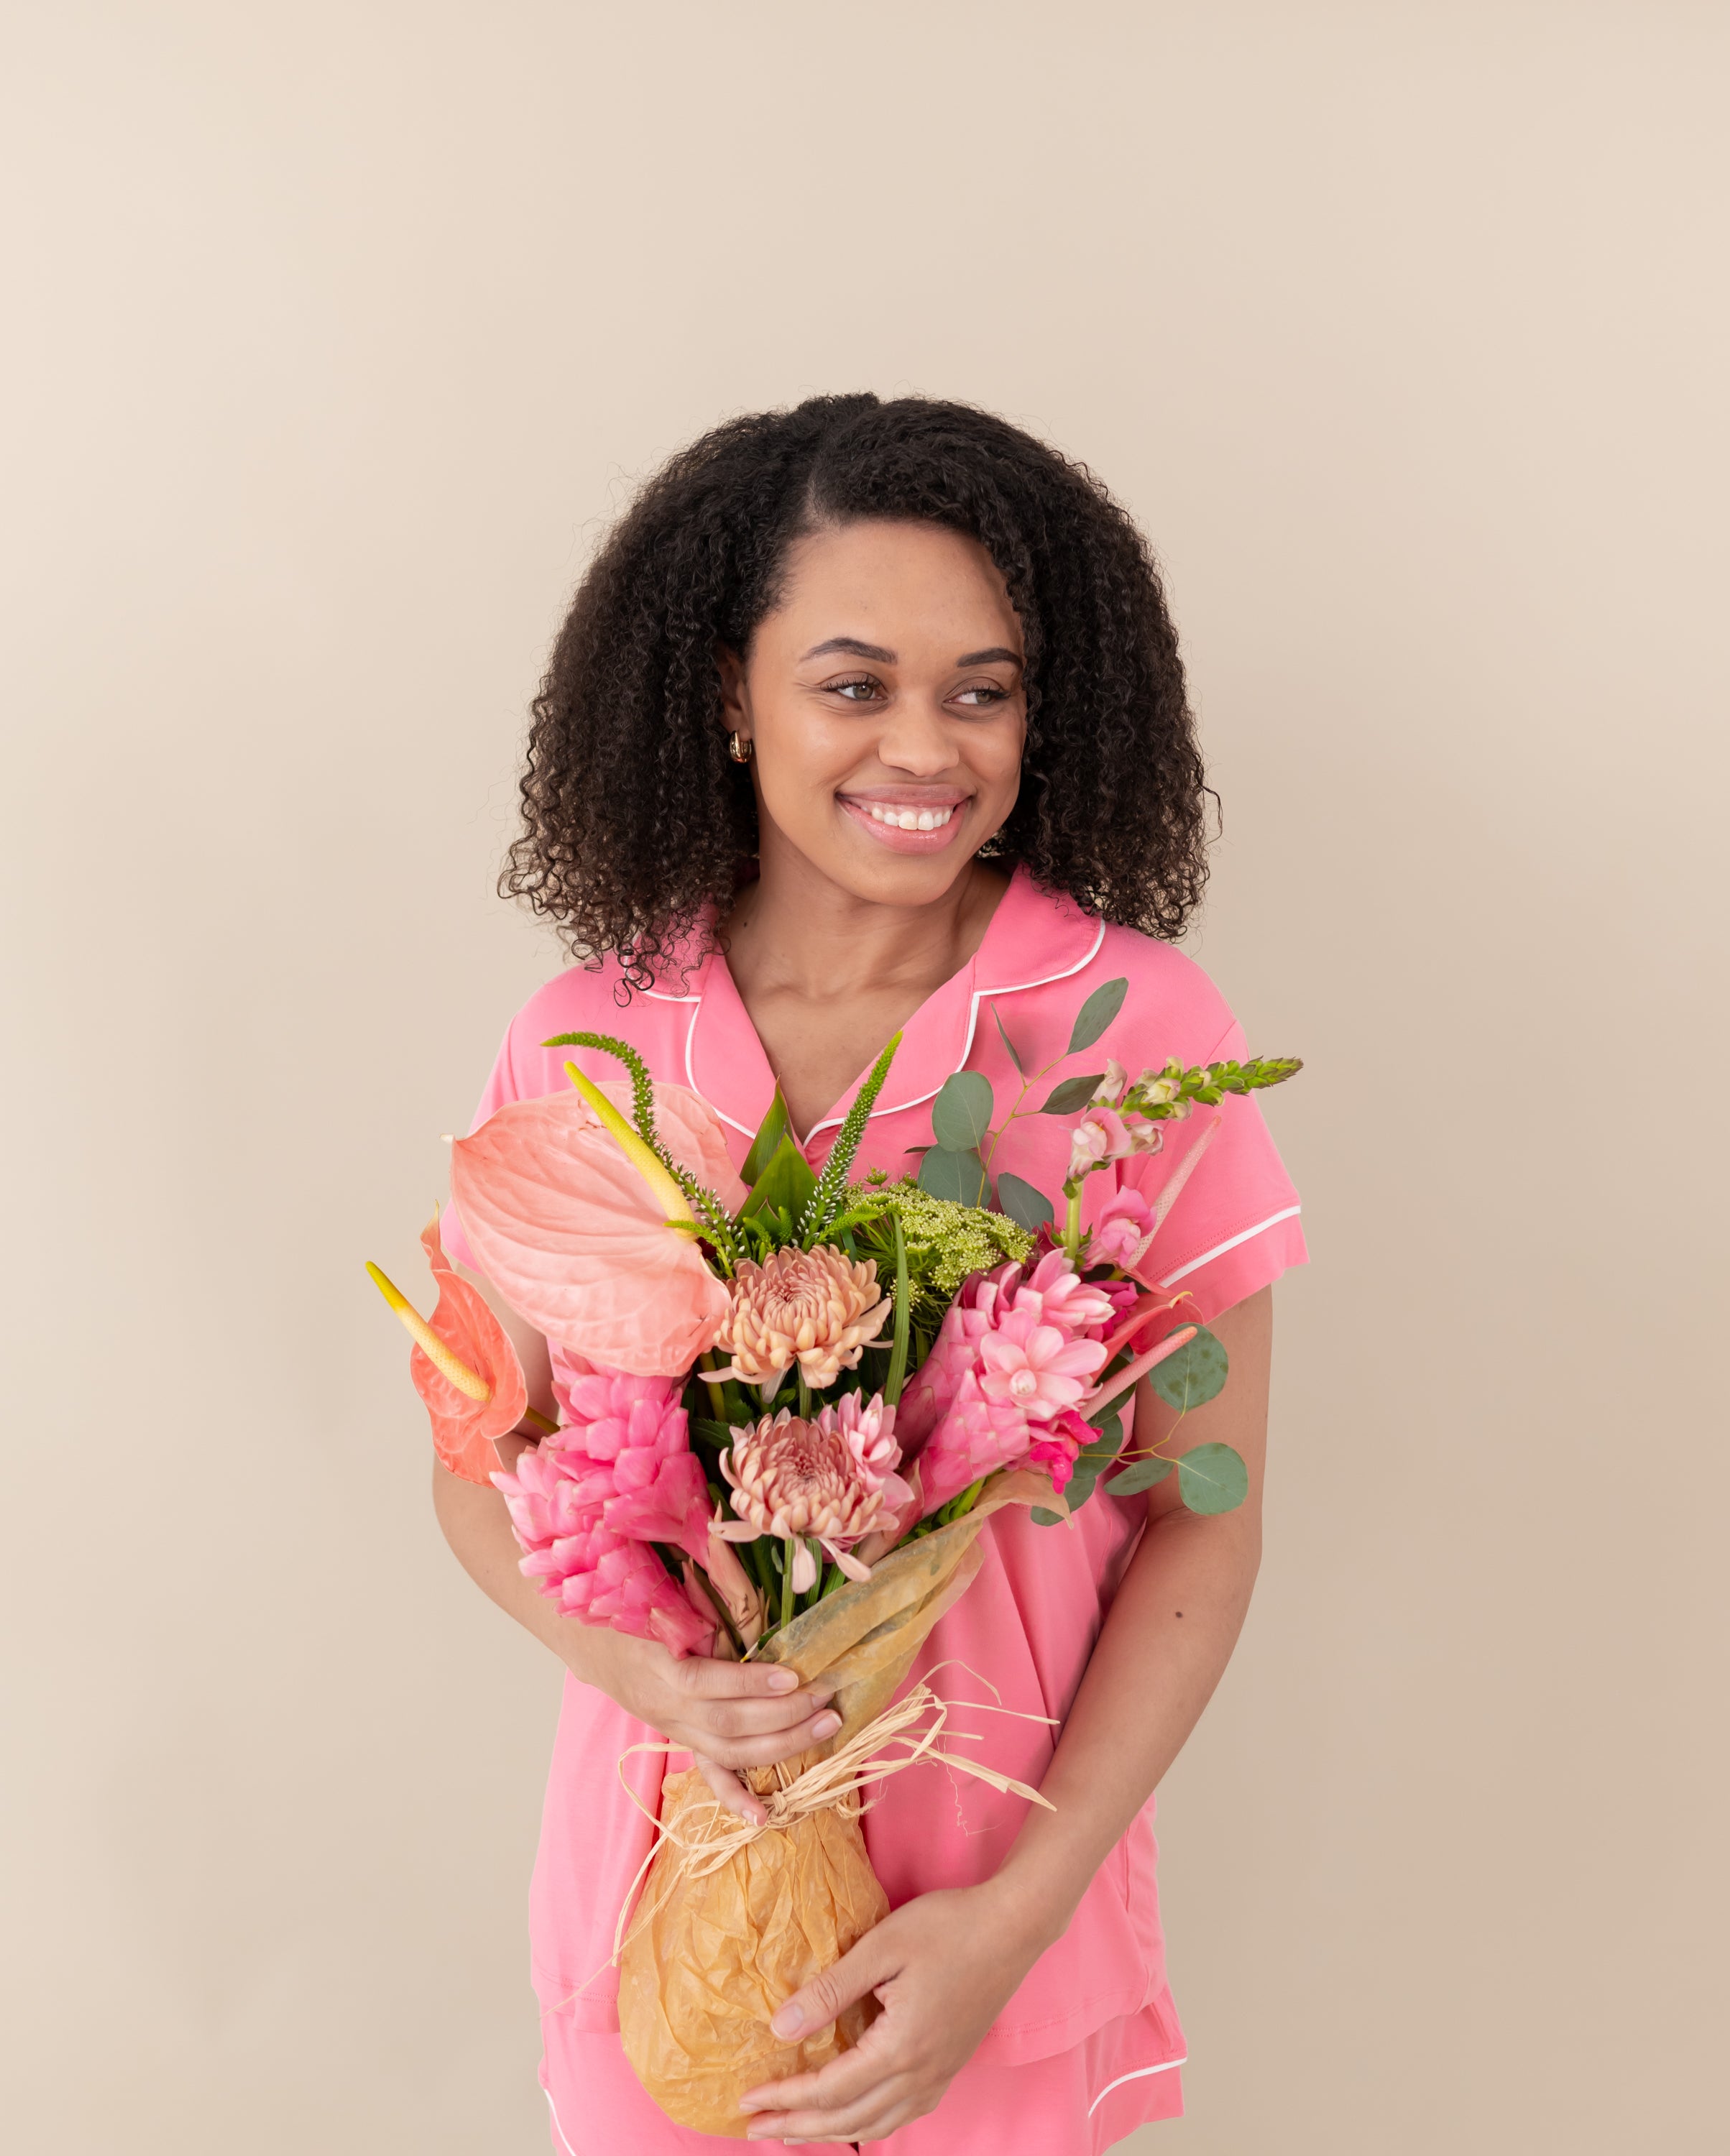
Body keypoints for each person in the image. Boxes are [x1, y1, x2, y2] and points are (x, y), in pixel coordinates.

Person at [431, 392, 1306, 2152]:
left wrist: (1018, 1919)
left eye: (982, 691)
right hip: (674, 1911)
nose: (927, 747)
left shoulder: (1133, 1036)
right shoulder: (591, 1042)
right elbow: (480, 1463)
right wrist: (643, 1679)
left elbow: (1205, 1520)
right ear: (727, 696)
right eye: (854, 685)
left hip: (988, 1928)